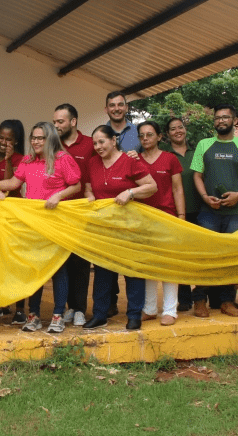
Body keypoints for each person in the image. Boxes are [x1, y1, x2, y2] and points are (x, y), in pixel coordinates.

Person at [0, 122, 81, 333]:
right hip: (32, 223)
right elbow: (14, 183)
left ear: (50, 138)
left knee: (58, 270)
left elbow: (76, 184)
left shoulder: (63, 159)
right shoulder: (28, 160)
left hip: (55, 222)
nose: (36, 141)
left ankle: (58, 315)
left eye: (40, 138)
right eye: (33, 138)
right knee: (35, 269)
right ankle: (33, 316)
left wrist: (58, 196)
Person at [190, 104, 238, 318]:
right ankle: (200, 300)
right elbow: (197, 175)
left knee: (231, 257)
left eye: (225, 117)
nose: (221, 121)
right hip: (208, 210)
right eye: (217, 118)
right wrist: (205, 197)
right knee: (206, 256)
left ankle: (227, 301)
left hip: (236, 212)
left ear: (235, 121)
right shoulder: (204, 144)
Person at [82, 125, 157, 330]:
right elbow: (88, 186)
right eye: (95, 143)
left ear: (114, 141)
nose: (98, 147)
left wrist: (130, 192)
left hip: (129, 227)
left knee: (132, 271)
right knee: (103, 272)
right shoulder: (92, 163)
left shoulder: (129, 161)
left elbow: (151, 186)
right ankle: (100, 314)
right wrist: (89, 196)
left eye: (102, 141)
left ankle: (134, 315)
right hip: (103, 228)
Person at [53, 104, 96, 328]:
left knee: (80, 262)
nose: (57, 125)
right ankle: (69, 307)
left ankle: (80, 308)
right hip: (58, 213)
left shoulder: (90, 144)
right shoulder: (53, 144)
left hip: (82, 211)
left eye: (61, 121)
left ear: (73, 121)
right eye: (55, 122)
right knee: (63, 262)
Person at [137, 121, 184, 326]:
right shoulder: (134, 160)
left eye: (149, 134)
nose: (145, 138)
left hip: (167, 216)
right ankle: (149, 308)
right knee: (148, 265)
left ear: (159, 137)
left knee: (168, 265)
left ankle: (170, 310)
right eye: (142, 135)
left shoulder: (170, 158)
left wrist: (181, 217)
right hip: (143, 219)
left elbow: (177, 189)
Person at [104, 91, 140, 316]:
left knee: (131, 260)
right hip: (108, 207)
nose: (116, 108)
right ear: (106, 109)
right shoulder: (102, 133)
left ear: (126, 107)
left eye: (120, 105)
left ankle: (135, 309)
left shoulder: (139, 133)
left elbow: (149, 165)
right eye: (111, 105)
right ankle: (110, 304)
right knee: (108, 260)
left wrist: (139, 158)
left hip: (133, 205)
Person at [0, 119, 27, 324]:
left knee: (16, 262)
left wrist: (7, 160)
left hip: (14, 213)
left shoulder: (22, 159)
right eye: (1, 137)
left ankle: (20, 308)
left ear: (17, 141)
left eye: (9, 140)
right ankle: (2, 302)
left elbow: (10, 186)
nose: (4, 142)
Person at [163, 117, 199, 312]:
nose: (177, 131)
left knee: (202, 257)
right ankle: (184, 299)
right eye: (172, 129)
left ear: (185, 130)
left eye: (180, 127)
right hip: (176, 213)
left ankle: (204, 296)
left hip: (200, 210)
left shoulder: (198, 153)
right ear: (167, 134)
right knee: (180, 258)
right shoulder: (165, 155)